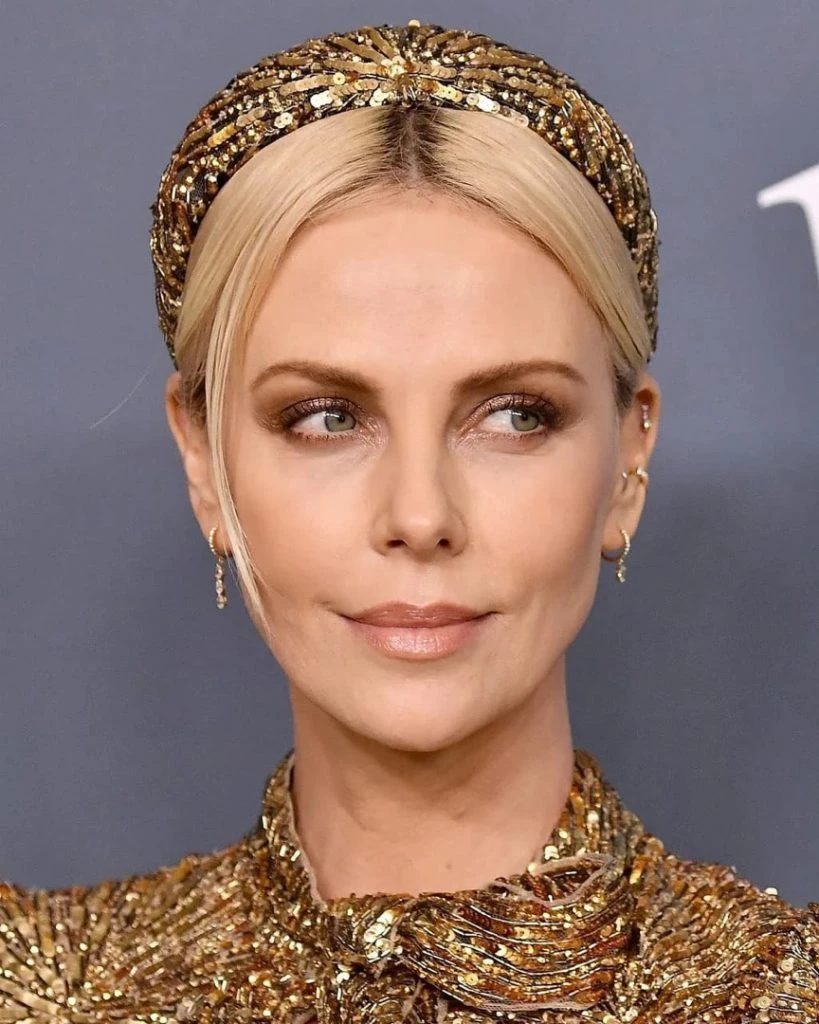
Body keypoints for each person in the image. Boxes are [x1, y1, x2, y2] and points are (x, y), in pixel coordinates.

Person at [1, 19, 817, 1024]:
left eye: (515, 415)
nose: (420, 515)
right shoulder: (40, 992)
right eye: (325, 418)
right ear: (204, 462)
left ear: (626, 461)